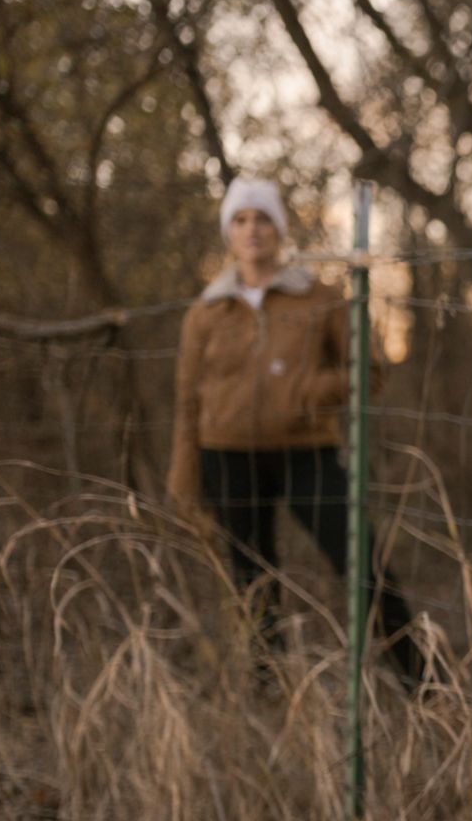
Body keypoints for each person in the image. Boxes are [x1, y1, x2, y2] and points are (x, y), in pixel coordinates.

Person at [166, 177, 423, 686]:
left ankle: (423, 684)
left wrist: (307, 392)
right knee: (250, 578)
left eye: (263, 218)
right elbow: (187, 400)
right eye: (241, 220)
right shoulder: (206, 311)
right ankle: (271, 687)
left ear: (280, 228)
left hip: (307, 453)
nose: (252, 230)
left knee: (361, 562)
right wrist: (183, 477)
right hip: (227, 456)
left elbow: (370, 371)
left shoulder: (319, 298)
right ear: (228, 232)